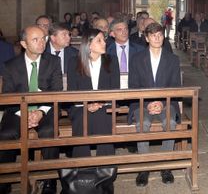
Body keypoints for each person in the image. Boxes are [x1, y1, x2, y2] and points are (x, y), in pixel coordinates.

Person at [0, 25, 63, 194]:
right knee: (6, 133)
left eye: (43, 38)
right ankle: (6, 180)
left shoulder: (54, 62)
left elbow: (56, 91)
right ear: (24, 43)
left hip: (47, 108)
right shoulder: (10, 66)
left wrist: (40, 112)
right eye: (36, 39)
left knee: (50, 130)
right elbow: (8, 96)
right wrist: (25, 112)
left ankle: (50, 180)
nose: (41, 43)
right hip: (18, 109)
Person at [128, 23, 180, 187]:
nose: (157, 38)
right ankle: (144, 167)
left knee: (170, 122)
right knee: (143, 123)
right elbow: (133, 86)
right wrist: (149, 103)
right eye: (153, 35)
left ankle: (165, 166)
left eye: (159, 35)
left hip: (167, 102)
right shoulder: (137, 59)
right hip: (142, 103)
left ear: (163, 37)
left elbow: (175, 87)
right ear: (146, 38)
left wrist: (162, 102)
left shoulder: (172, 59)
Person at [67, 29, 119, 158]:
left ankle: (105, 165)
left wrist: (99, 103)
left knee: (102, 116)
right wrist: (87, 105)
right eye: (99, 40)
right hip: (80, 106)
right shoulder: (74, 62)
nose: (104, 43)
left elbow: (115, 89)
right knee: (82, 117)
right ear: (88, 45)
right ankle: (82, 166)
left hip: (105, 105)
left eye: (104, 40)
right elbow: (72, 92)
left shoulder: (112, 61)